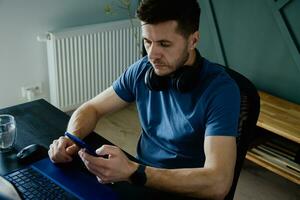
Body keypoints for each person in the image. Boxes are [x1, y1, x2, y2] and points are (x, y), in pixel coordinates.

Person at [48, 0, 240, 199]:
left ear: (193, 40)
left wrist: (134, 172)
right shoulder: (142, 70)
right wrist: (71, 139)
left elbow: (218, 183)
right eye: (148, 42)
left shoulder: (221, 91)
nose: (152, 55)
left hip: (186, 190)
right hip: (140, 181)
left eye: (164, 44)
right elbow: (92, 108)